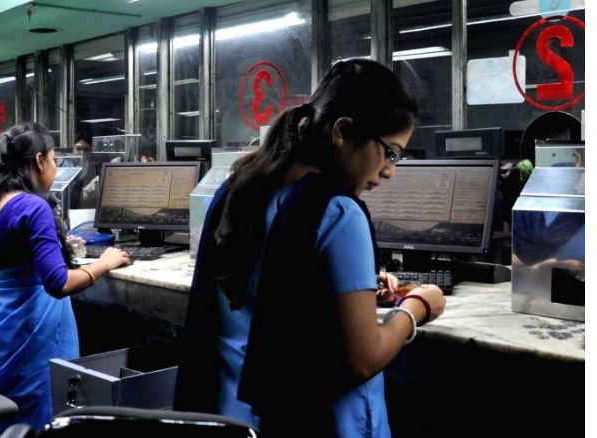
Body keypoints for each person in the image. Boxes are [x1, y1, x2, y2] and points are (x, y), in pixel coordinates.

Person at [174, 59, 446, 436]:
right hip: (323, 422)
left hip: (232, 414)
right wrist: (417, 307)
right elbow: (363, 359)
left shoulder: (239, 188)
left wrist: (358, 286)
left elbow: (276, 287)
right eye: (391, 152)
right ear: (343, 132)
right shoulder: (337, 212)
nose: (390, 171)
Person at [0, 122, 129, 434]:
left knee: (0, 424)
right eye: (53, 159)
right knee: (33, 425)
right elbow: (58, 283)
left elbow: (9, 252)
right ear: (39, 160)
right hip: (27, 346)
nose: (54, 167)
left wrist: (57, 245)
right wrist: (102, 264)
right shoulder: (33, 206)